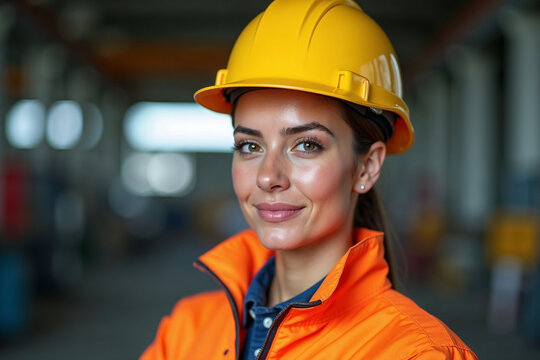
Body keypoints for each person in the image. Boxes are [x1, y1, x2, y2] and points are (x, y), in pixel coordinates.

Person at [141, 0, 478, 359]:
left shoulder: (417, 353)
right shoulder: (186, 332)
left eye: (306, 145)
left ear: (367, 167)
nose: (268, 176)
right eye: (250, 146)